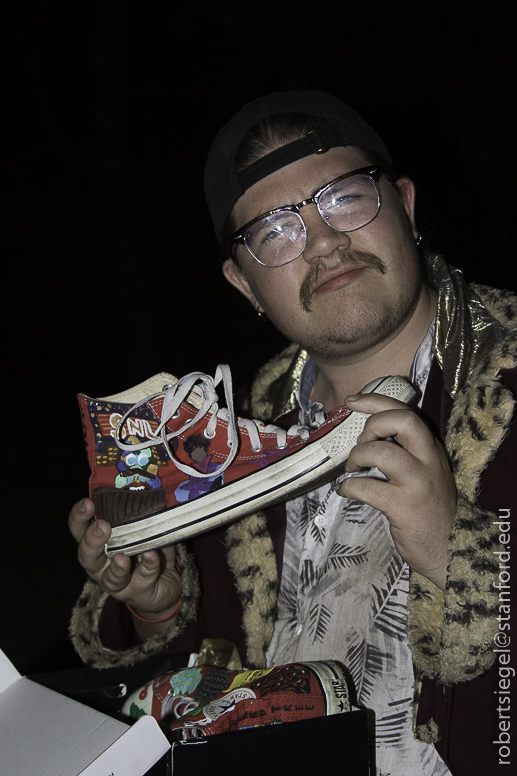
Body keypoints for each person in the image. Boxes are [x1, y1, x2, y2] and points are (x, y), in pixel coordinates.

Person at [68, 92, 516, 775]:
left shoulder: (504, 382)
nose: (325, 242)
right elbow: (214, 683)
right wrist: (161, 606)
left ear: (404, 206)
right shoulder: (235, 442)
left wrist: (460, 558)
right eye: (276, 232)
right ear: (243, 283)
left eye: (345, 199)